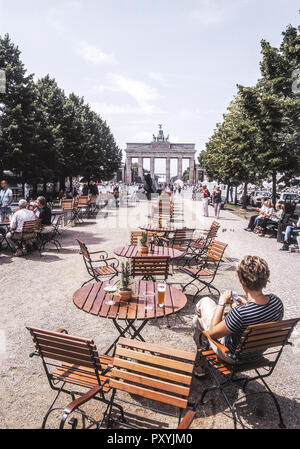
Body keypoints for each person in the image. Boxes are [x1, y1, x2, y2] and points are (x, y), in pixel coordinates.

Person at [192, 255, 284, 376]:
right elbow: (257, 316)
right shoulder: (277, 303)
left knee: (204, 304)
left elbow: (213, 333)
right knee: (198, 320)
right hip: (257, 353)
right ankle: (200, 364)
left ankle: (200, 365)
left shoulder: (240, 313)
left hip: (232, 356)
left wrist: (222, 302)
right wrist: (245, 305)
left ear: (241, 281)